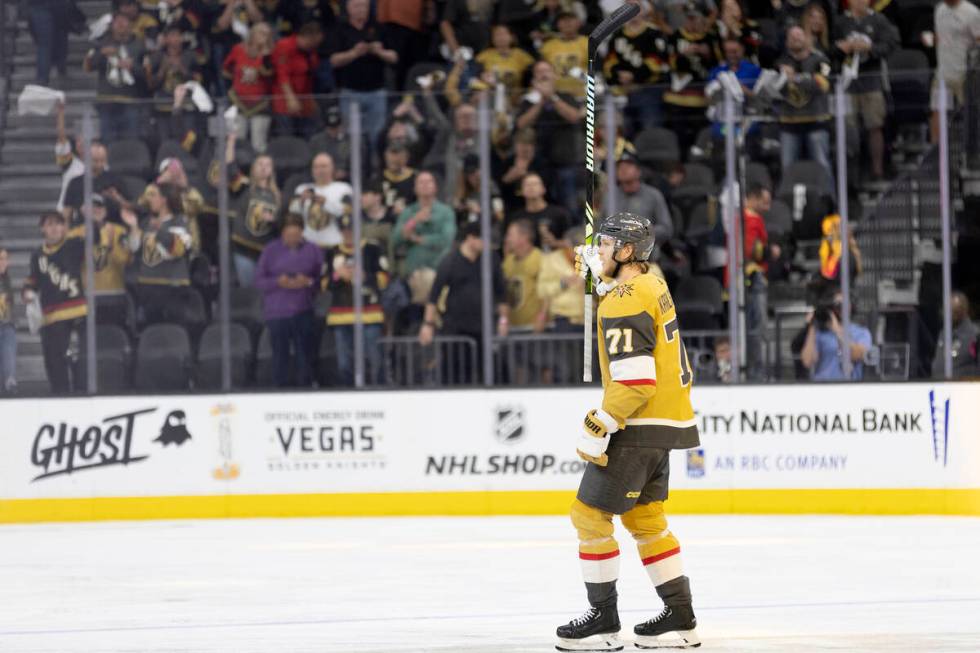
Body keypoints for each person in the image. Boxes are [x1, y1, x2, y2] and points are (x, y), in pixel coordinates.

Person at [556, 212, 700, 651]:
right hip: (668, 424)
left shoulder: (624, 299)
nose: (596, 251)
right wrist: (604, 283)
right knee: (645, 519)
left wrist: (603, 421)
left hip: (637, 425)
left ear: (626, 252)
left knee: (588, 516)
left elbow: (635, 380)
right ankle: (680, 617)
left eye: (604, 245)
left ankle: (602, 621)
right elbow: (631, 303)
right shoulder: (652, 284)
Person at [418, 222, 509, 384]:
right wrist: (428, 324)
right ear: (471, 238)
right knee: (455, 374)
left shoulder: (491, 260)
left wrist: (503, 320)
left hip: (484, 328)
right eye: (484, 240)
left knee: (493, 373)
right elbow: (434, 296)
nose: (487, 245)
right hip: (456, 329)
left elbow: (502, 294)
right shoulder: (450, 261)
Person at [22, 212, 92, 394]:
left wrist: (90, 218)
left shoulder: (74, 245)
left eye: (58, 224)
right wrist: (28, 292)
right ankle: (59, 396)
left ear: (64, 227)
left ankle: (82, 394)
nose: (54, 228)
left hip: (77, 311)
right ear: (42, 229)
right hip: (51, 316)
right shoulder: (37, 255)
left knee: (80, 358)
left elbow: (96, 237)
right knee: (53, 360)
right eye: (50, 224)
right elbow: (33, 280)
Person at [832, 0, 899, 182]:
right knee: (849, 129)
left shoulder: (878, 20)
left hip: (872, 82)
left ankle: (877, 171)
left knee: (874, 126)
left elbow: (891, 44)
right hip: (847, 84)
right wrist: (842, 48)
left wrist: (870, 48)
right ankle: (852, 174)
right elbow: (830, 48)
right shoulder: (840, 22)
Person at [254, 213, 322, 387]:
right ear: (282, 233)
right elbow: (259, 281)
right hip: (277, 313)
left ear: (302, 233)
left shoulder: (313, 250)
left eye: (296, 235)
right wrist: (278, 282)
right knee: (280, 356)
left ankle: (305, 390)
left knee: (304, 356)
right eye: (288, 235)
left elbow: (321, 280)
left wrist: (307, 282)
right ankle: (279, 392)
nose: (292, 239)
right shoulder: (270, 250)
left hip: (303, 309)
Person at [324, 214, 389, 386]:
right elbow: (324, 283)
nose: (348, 234)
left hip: (369, 311)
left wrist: (366, 276)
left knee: (375, 357)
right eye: (344, 231)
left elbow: (384, 278)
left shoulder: (373, 248)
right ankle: (347, 394)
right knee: (344, 362)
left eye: (351, 230)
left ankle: (379, 391)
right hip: (341, 313)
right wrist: (338, 276)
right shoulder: (332, 252)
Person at [329, 0, 399, 160]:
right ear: (348, 8)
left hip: (376, 92)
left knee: (377, 136)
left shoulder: (379, 28)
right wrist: (353, 53)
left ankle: (375, 168)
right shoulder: (340, 29)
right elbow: (333, 60)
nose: (361, 9)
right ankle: (353, 168)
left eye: (364, 6)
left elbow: (394, 57)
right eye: (357, 6)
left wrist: (379, 52)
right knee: (352, 137)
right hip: (350, 92)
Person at [516, 60, 583, 214]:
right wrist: (541, 101)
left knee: (569, 203)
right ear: (534, 78)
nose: (543, 74)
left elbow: (574, 117)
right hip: (539, 162)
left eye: (546, 70)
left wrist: (552, 97)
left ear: (554, 75)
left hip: (566, 161)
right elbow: (521, 123)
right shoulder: (528, 101)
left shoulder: (566, 96)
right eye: (539, 71)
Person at [125, 183, 195, 326]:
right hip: (148, 286)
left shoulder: (180, 221)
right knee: (151, 331)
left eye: (153, 195)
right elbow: (135, 248)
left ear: (164, 199)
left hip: (173, 288)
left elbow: (177, 250)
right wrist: (133, 226)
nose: (150, 199)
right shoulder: (146, 223)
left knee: (174, 331)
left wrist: (160, 231)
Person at [776, 26, 834, 192]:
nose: (796, 39)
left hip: (816, 121)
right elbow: (773, 90)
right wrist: (781, 79)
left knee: (822, 164)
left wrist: (795, 78)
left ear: (807, 39)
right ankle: (786, 205)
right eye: (792, 37)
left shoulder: (820, 61)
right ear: (787, 42)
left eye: (799, 36)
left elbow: (823, 85)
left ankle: (831, 206)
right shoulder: (780, 62)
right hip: (788, 123)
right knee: (787, 167)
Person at [603, 6, 670, 136]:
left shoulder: (654, 33)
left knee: (650, 130)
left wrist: (634, 76)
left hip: (649, 90)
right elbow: (609, 62)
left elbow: (658, 62)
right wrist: (619, 75)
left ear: (643, 11)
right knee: (623, 131)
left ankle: (650, 155)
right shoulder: (617, 35)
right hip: (623, 91)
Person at [83, 12, 148, 143]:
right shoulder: (101, 44)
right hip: (107, 101)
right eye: (117, 21)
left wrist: (132, 67)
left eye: (124, 20)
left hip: (130, 101)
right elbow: (89, 67)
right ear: (112, 25)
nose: (120, 24)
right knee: (108, 140)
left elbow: (146, 75)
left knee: (132, 140)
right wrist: (102, 53)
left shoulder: (139, 45)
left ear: (131, 25)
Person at [931, 0, 980, 143]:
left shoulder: (972, 13)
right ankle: (937, 154)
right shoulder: (939, 9)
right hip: (942, 74)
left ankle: (971, 153)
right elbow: (941, 38)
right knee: (938, 111)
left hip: (965, 75)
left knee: (970, 114)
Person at [391, 171, 457, 278]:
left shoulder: (446, 212)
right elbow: (395, 239)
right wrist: (414, 221)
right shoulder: (408, 212)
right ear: (415, 188)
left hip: (439, 269)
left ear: (435, 187)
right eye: (421, 182)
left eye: (429, 182)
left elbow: (446, 240)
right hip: (414, 270)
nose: (425, 185)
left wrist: (417, 239)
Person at [223, 22, 274, 153]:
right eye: (261, 33)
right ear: (252, 34)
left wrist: (265, 55)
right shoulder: (238, 49)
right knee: (237, 142)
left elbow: (269, 75)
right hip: (238, 101)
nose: (264, 37)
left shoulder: (271, 55)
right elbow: (226, 70)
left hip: (260, 104)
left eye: (267, 34)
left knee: (258, 144)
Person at [799, 288, 873, 381]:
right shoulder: (822, 332)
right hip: (823, 386)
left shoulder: (861, 332)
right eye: (837, 305)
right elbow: (807, 362)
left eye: (844, 304)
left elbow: (856, 355)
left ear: (851, 306)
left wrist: (837, 330)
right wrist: (813, 326)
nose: (841, 308)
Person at [289, 153, 354, 251]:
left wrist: (325, 203)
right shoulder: (302, 188)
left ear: (332, 168)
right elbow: (292, 212)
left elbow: (346, 211)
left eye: (324, 166)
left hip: (334, 244)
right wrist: (301, 201)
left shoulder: (344, 188)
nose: (320, 170)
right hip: (307, 245)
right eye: (316, 167)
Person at [271, 22, 323, 138]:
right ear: (308, 38)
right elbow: (282, 74)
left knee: (309, 135)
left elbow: (310, 75)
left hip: (304, 101)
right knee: (286, 137)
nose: (316, 46)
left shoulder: (311, 51)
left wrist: (311, 98)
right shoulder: (284, 46)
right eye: (314, 42)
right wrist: (290, 98)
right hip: (285, 102)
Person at [613, 157, 673, 246]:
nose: (623, 169)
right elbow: (599, 224)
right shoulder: (610, 196)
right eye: (619, 167)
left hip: (645, 252)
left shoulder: (653, 195)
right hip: (614, 251)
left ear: (638, 172)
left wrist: (643, 232)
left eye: (628, 166)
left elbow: (666, 228)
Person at [508, 172, 571, 252]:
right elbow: (508, 245)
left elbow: (572, 243)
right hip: (526, 262)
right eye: (527, 185)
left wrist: (555, 243)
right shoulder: (516, 218)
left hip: (554, 260)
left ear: (543, 189)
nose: (531, 187)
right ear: (521, 191)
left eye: (535, 184)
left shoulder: (560, 214)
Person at [932, 291, 979, 378]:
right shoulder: (943, 333)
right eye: (946, 310)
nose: (948, 315)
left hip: (963, 388)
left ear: (963, 311)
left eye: (954, 311)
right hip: (938, 387)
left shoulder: (974, 335)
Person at [0, 245, 16, 395]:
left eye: (5, 258)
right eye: (1, 259)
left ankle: (9, 383)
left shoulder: (6, 280)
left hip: (6, 324)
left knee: (8, 355)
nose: (4, 262)